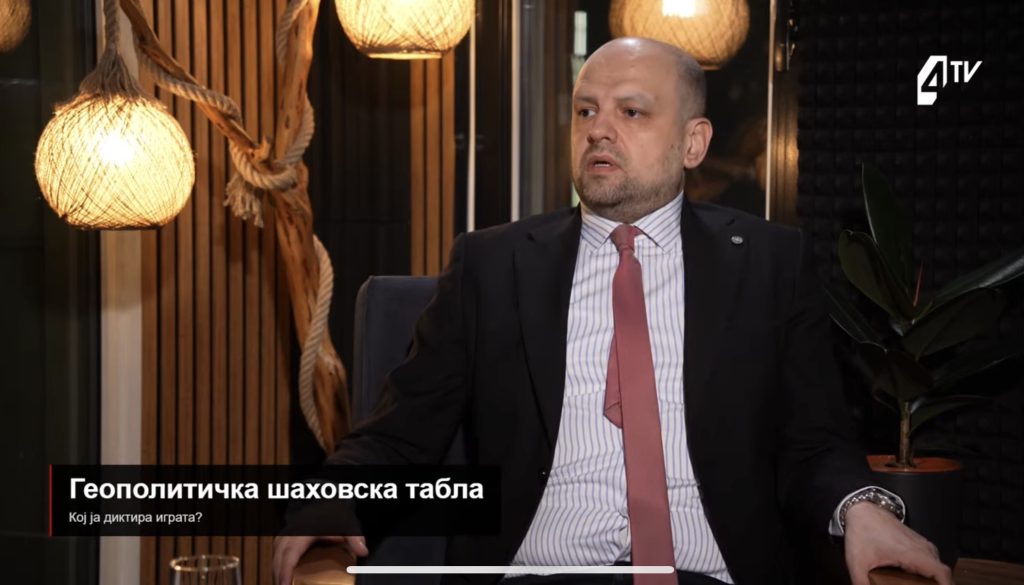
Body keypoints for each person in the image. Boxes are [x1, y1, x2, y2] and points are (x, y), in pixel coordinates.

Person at [275, 37, 952, 585]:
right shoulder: (492, 265)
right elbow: (401, 431)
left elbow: (816, 441)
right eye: (585, 111)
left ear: (693, 142)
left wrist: (863, 508)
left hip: (707, 574)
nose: (599, 129)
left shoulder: (770, 265)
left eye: (631, 112)